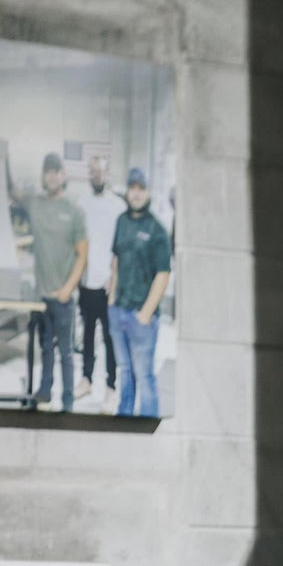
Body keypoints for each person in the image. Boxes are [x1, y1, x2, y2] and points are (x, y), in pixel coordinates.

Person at [109, 165, 173, 419]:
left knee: (144, 374)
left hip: (141, 318)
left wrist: (146, 313)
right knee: (125, 371)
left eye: (141, 189)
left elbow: (163, 274)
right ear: (127, 192)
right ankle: (124, 417)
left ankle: (147, 422)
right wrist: (112, 298)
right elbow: (115, 259)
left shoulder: (157, 230)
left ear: (148, 192)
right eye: (132, 188)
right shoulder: (121, 222)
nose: (136, 194)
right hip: (118, 311)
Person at [25, 152, 86, 413]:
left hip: (62, 296)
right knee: (45, 347)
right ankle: (45, 390)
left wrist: (67, 289)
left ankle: (68, 399)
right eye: (47, 171)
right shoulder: (35, 205)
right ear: (43, 176)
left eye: (55, 171)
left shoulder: (74, 211)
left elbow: (83, 255)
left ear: (64, 176)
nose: (51, 175)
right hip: (41, 295)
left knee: (66, 352)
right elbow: (13, 193)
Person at [77, 152, 125, 405]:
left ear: (108, 174)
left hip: (109, 285)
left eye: (101, 171)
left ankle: (110, 385)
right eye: (93, 171)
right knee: (87, 336)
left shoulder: (118, 206)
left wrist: (115, 280)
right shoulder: (81, 203)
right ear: (89, 175)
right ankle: (86, 380)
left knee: (109, 338)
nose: (97, 175)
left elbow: (122, 247)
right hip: (86, 282)